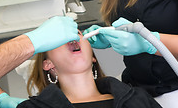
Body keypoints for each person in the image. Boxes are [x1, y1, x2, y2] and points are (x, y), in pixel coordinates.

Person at [17, 31, 162, 108]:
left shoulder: (137, 99)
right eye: (59, 36)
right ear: (47, 64)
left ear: (93, 57)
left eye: (77, 33)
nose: (71, 38)